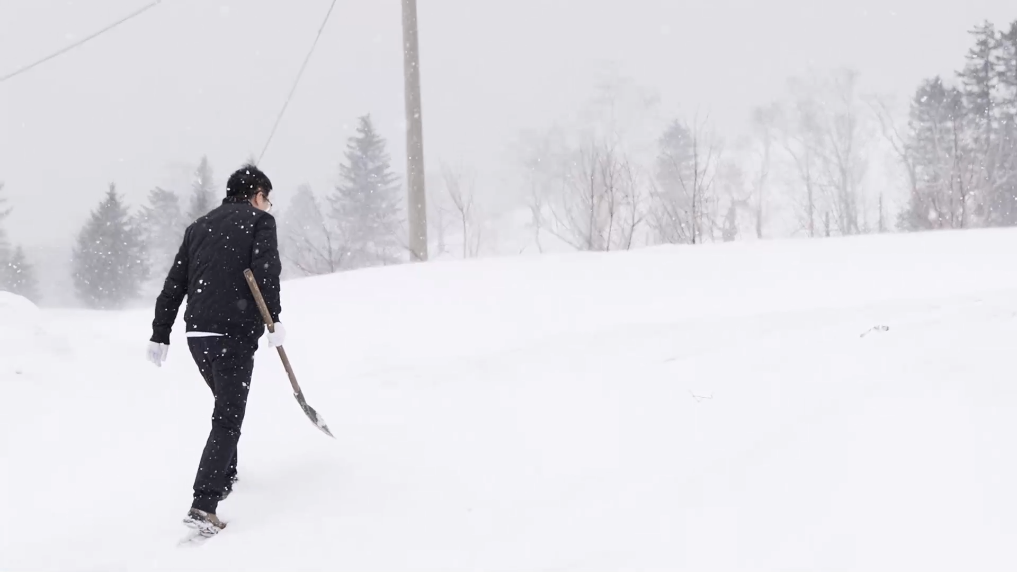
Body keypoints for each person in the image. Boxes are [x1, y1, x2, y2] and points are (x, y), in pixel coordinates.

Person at [146, 163, 284, 536]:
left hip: (198, 335)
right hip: (233, 333)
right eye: (267, 199)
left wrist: (160, 333)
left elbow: (174, 283)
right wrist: (274, 320)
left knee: (225, 404)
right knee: (228, 416)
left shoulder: (198, 227)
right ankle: (204, 505)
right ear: (257, 195)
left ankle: (226, 476)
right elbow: (266, 273)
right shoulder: (259, 221)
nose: (268, 206)